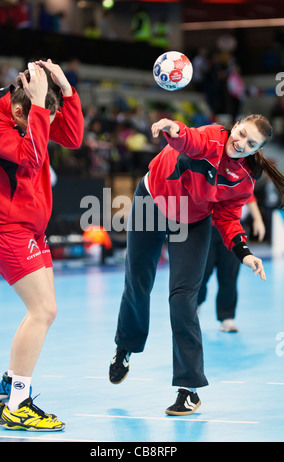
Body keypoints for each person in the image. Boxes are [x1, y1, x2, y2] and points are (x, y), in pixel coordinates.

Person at [109, 114, 284, 416]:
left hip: (192, 220)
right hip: (151, 200)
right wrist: (171, 128)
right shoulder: (211, 137)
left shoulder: (242, 180)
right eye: (240, 133)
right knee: (137, 282)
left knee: (183, 299)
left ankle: (189, 390)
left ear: (256, 150)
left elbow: (227, 218)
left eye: (250, 144)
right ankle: (125, 347)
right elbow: (188, 139)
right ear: (236, 124)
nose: (240, 143)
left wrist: (245, 253)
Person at [0, 59, 84, 430]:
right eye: (35, 115)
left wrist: (65, 88)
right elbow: (31, 157)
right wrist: (40, 109)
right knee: (41, 311)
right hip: (3, 228)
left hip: (30, 226)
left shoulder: (31, 107)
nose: (39, 122)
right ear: (17, 107)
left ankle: (11, 388)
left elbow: (72, 138)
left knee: (45, 311)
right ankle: (17, 405)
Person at [198, 197, 266, 333]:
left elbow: (249, 195)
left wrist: (258, 219)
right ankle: (195, 306)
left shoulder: (237, 177)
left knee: (229, 274)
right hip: (203, 226)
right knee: (202, 273)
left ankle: (227, 317)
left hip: (231, 226)